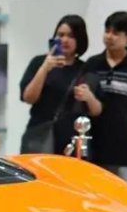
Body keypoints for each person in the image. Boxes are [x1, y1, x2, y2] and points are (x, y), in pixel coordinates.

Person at [75, 12, 127, 185]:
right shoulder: (92, 64)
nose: (109, 37)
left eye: (116, 33)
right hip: (95, 148)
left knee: (125, 195)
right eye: (107, 31)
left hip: (126, 150)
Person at [19, 14, 89, 154]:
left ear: (80, 39)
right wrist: (44, 68)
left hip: (70, 138)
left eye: (71, 36)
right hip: (40, 133)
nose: (65, 40)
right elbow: (28, 98)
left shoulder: (84, 69)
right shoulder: (39, 62)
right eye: (60, 35)